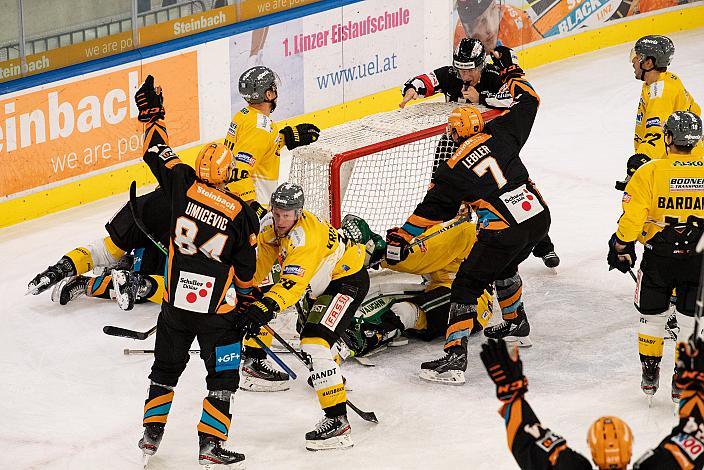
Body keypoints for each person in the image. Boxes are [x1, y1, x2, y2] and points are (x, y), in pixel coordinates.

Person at [386, 46, 550, 385]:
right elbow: (530, 99)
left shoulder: (453, 168)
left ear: (457, 132)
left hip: (503, 230)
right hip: (538, 218)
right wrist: (512, 72)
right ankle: (517, 323)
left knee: (465, 285)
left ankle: (454, 359)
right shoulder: (504, 133)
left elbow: (432, 210)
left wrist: (403, 237)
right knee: (505, 266)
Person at [133, 75, 260, 468]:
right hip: (217, 316)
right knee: (222, 377)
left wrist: (151, 112)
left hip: (174, 308)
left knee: (165, 369)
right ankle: (210, 446)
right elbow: (246, 273)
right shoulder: (242, 213)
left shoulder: (180, 182)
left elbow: (156, 148)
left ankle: (151, 435)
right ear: (227, 175)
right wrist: (251, 302)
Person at [399, 38, 560, 269]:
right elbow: (427, 80)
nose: (465, 75)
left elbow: (515, 100)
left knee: (511, 193)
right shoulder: (451, 75)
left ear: (481, 64)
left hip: (492, 144)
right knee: (441, 190)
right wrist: (413, 89)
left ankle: (544, 246)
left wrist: (481, 98)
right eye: (460, 69)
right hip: (454, 143)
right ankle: (451, 247)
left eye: (470, 69)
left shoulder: (494, 77)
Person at [235, 182, 368, 450]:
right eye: (277, 211)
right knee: (266, 301)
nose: (281, 218)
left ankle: (338, 422)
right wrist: (245, 293)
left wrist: (266, 306)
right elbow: (260, 268)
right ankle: (325, 373)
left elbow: (292, 285)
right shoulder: (270, 226)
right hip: (319, 282)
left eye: (287, 214)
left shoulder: (305, 238)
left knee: (314, 342)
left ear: (299, 213)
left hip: (346, 281)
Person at [223, 65, 320, 391]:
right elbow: (239, 170)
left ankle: (251, 342)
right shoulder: (261, 126)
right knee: (262, 286)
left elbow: (256, 146)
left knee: (260, 280)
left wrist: (286, 137)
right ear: (268, 94)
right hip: (253, 213)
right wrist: (253, 211)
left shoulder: (244, 117)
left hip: (245, 210)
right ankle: (252, 359)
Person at [480, 335, 704, 469]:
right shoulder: (660, 467)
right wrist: (694, 390)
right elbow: (694, 433)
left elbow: (526, 438)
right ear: (629, 447)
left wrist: (512, 394)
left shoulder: (570, 468)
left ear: (593, 451)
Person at [607, 110, 704, 402]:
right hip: (697, 257)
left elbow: (633, 218)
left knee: (652, 316)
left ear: (670, 138)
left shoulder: (649, 171)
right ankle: (682, 378)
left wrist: (621, 246)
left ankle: (650, 373)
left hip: (659, 256)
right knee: (690, 320)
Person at [339, 213, 494, 361]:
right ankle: (350, 324)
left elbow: (419, 259)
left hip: (469, 301)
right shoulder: (451, 225)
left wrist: (380, 253)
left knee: (405, 311)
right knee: (383, 296)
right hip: (448, 290)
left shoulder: (460, 228)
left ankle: (371, 337)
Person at [26, 188, 168, 310]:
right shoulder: (150, 209)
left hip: (176, 261)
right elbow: (106, 250)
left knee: (148, 289)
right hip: (154, 254)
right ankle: (120, 270)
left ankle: (95, 281)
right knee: (139, 286)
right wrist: (61, 268)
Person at [616, 35, 701, 190]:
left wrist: (641, 159)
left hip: (675, 167)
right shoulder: (668, 79)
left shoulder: (659, 92)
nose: (633, 62)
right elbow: (695, 110)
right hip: (686, 159)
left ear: (648, 62)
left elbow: (657, 134)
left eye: (637, 57)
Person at [454, 0, 542, 51]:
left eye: (492, 12)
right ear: (468, 27)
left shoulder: (516, 21)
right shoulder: (460, 39)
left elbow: (540, 52)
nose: (490, 29)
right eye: (480, 22)